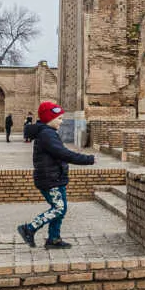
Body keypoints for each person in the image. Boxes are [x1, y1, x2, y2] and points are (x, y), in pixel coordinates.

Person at [17, 102, 96, 250]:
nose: (62, 121)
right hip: (50, 180)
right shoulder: (47, 134)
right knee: (58, 209)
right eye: (59, 118)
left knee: (60, 208)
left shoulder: (48, 133)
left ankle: (54, 239)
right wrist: (88, 159)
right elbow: (63, 153)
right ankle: (29, 228)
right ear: (49, 119)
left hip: (55, 178)